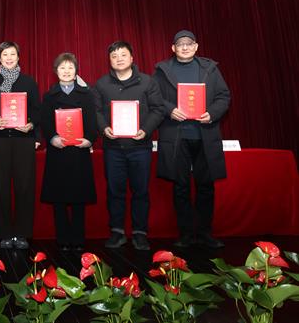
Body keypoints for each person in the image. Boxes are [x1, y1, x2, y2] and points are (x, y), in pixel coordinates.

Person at [153, 30, 231, 248]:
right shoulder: (162, 70)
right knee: (181, 186)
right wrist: (170, 110)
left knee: (206, 186)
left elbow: (223, 96)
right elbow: (154, 97)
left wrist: (212, 113)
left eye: (189, 44)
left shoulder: (209, 68)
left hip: (204, 135)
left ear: (196, 46)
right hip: (177, 136)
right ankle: (186, 234)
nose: (185, 47)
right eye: (180, 44)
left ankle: (205, 232)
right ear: (173, 48)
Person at [93, 41, 164, 251]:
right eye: (114, 56)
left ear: (132, 58)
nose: (119, 59)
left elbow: (158, 109)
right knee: (115, 191)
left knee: (140, 191)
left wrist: (146, 130)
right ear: (109, 60)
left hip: (140, 147)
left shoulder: (147, 82)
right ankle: (117, 232)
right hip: (113, 148)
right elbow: (96, 111)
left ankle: (140, 233)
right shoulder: (101, 84)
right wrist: (104, 128)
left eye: (123, 55)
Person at [0, 41, 40, 249]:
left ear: (18, 57)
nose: (9, 58)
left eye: (12, 54)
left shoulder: (29, 82)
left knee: (25, 187)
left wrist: (31, 124)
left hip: (24, 140)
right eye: (5, 54)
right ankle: (4, 233)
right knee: (0, 187)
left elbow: (38, 110)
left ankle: (22, 234)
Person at [40, 53, 97, 251]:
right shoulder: (49, 96)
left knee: (79, 198)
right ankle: (63, 239)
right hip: (58, 151)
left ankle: (78, 239)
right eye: (62, 68)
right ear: (56, 71)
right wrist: (52, 138)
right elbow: (45, 121)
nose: (66, 71)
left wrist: (89, 139)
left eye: (70, 68)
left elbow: (92, 120)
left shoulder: (87, 94)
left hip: (79, 152)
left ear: (76, 71)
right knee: (59, 198)